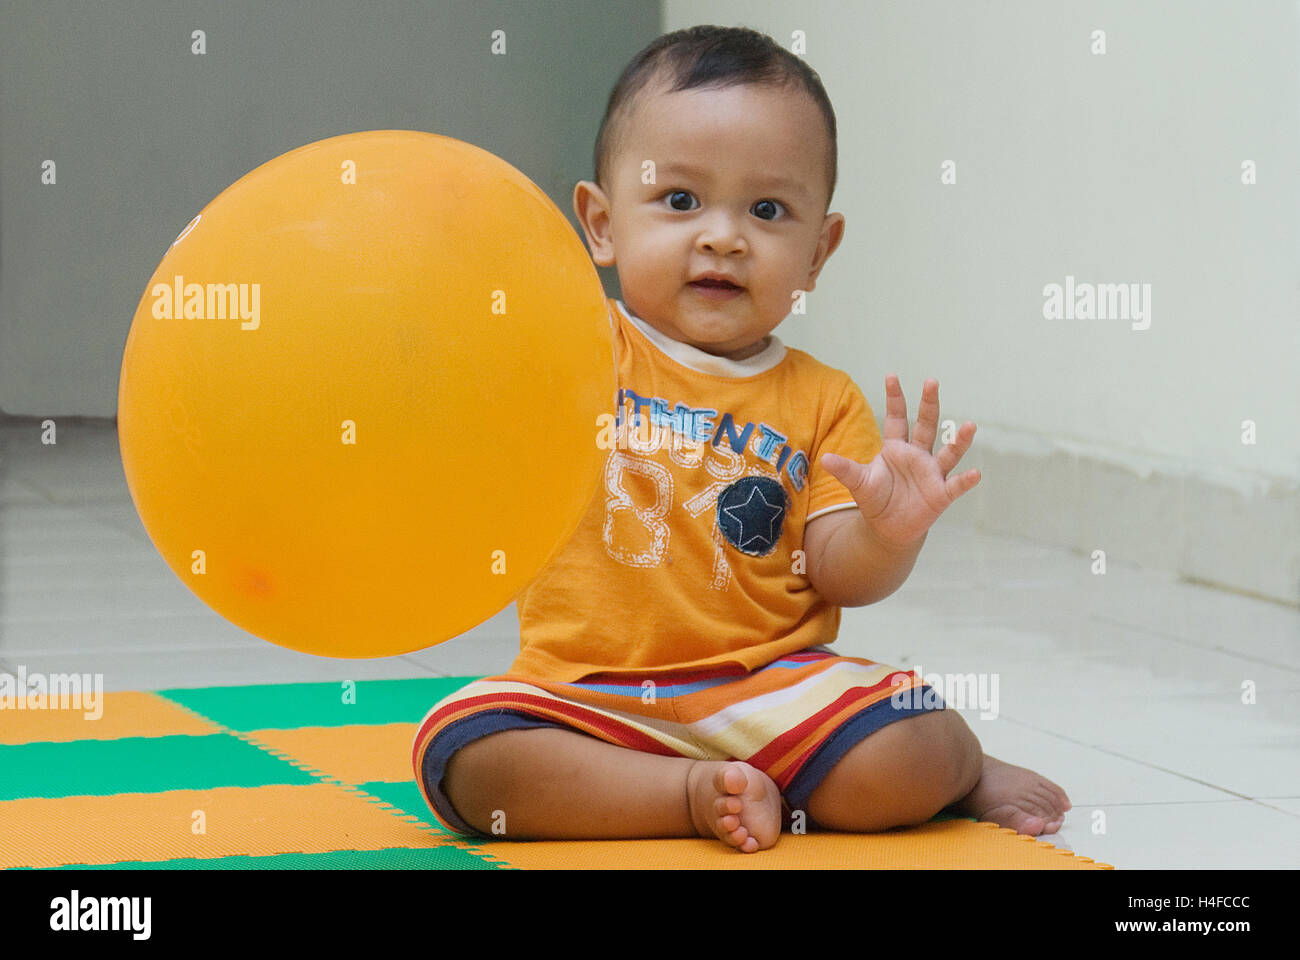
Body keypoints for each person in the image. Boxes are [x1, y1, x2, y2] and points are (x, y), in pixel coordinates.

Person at [413, 24, 1070, 853]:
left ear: (817, 254)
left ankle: (966, 770)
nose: (723, 236)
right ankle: (686, 794)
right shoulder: (572, 351)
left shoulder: (824, 399)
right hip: (589, 690)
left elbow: (840, 570)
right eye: (681, 200)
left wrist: (888, 533)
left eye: (767, 210)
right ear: (602, 223)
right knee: (465, 756)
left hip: (771, 687)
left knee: (907, 744)